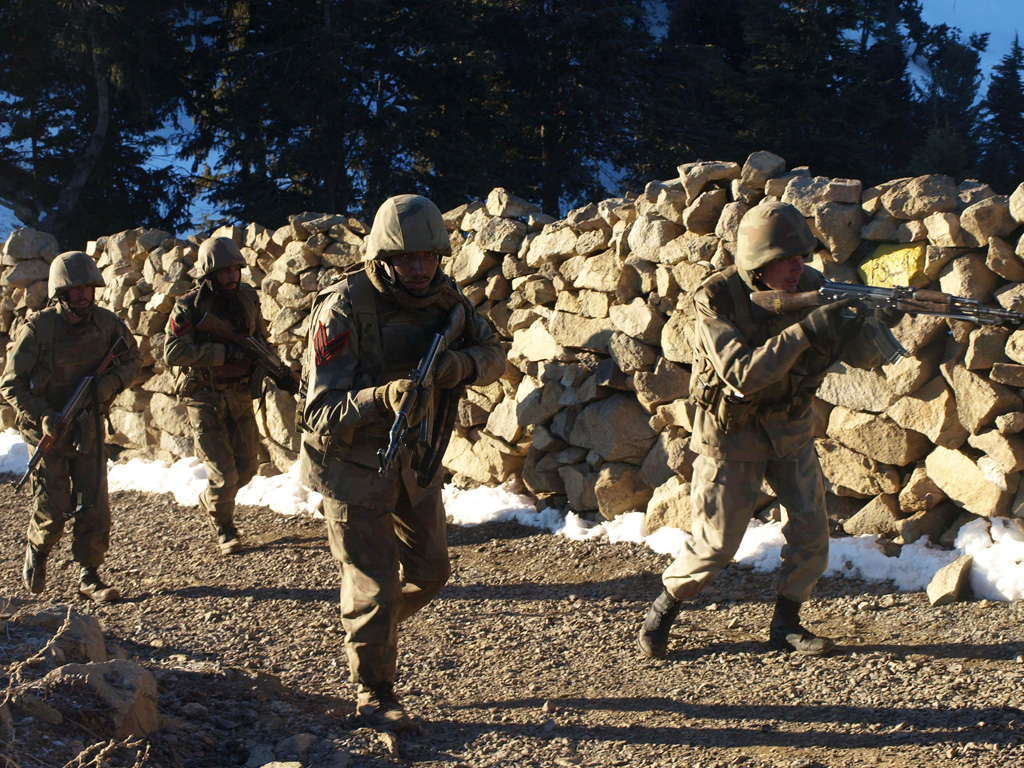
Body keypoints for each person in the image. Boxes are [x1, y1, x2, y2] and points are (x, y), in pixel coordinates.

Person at [637, 201, 898, 659]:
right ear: (759, 264)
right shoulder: (716, 299)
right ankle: (664, 608)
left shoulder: (816, 287)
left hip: (790, 428)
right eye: (787, 260)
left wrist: (877, 323)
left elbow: (862, 357)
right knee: (717, 545)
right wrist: (805, 331)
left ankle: (786, 624)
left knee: (812, 533)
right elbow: (742, 372)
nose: (800, 268)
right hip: (732, 435)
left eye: (802, 256)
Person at [300, 194, 504, 731]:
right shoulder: (343, 306)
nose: (419, 269)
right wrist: (382, 397)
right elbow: (318, 410)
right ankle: (374, 689)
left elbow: (494, 352)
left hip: (416, 459)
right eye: (407, 259)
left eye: (429, 257)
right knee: (374, 583)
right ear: (383, 257)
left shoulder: (445, 298)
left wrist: (458, 365)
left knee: (432, 572)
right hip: (351, 465)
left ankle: (369, 629)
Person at [1, 251, 141, 602]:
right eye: (74, 289)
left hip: (89, 425)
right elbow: (10, 384)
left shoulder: (107, 324)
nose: (82, 295)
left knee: (94, 503)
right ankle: (38, 547)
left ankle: (89, 574)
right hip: (47, 428)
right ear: (60, 293)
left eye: (87, 288)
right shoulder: (38, 330)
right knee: (54, 506)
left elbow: (133, 359)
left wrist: (109, 385)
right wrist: (43, 415)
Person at [164, 236, 267, 555]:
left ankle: (210, 500)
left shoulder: (248, 298)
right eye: (224, 272)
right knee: (224, 474)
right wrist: (224, 354)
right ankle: (224, 527)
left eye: (236, 269)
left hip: (239, 395)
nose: (232, 277)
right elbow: (173, 351)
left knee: (247, 469)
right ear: (209, 275)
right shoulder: (188, 307)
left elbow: (260, 337)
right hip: (204, 398)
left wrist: (274, 367)